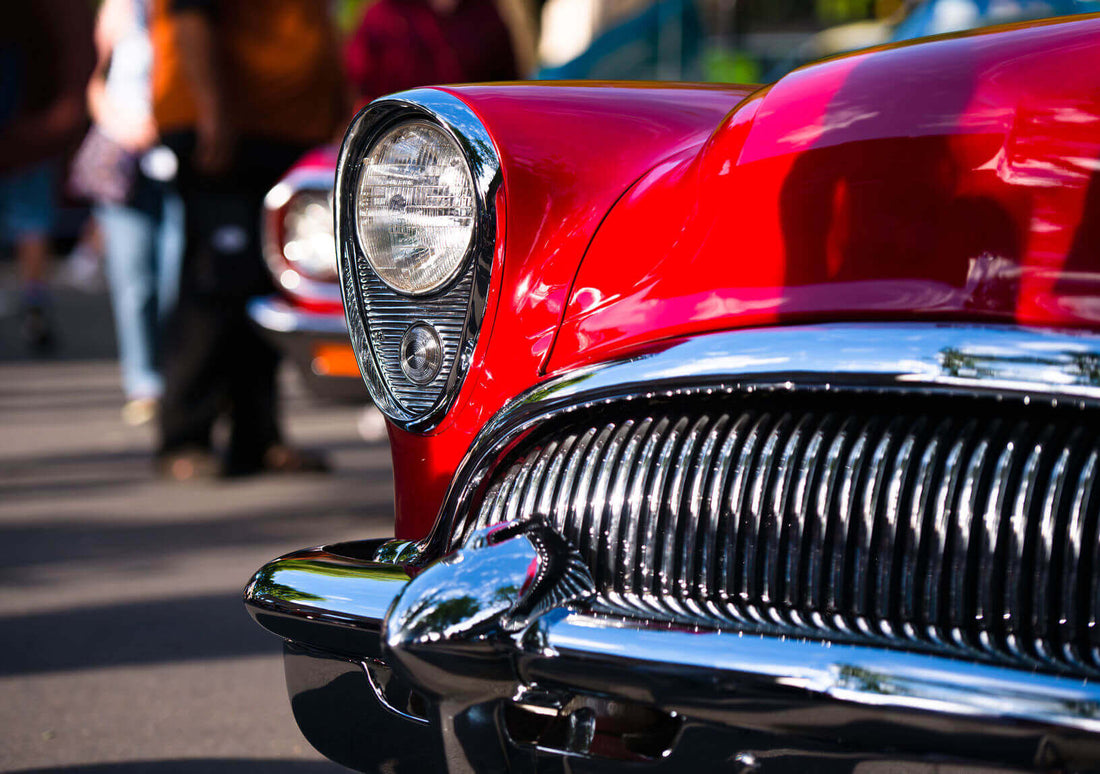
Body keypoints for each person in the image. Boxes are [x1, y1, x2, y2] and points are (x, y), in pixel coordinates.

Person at [150, 0, 346, 479]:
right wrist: (212, 108)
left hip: (282, 129)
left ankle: (257, 439)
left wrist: (339, 109)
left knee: (268, 288)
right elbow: (189, 15)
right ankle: (184, 437)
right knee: (215, 282)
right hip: (225, 129)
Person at [87, 0, 184, 426]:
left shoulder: (189, 12)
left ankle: (180, 375)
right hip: (123, 163)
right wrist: (123, 127)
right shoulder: (118, 10)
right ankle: (145, 383)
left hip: (179, 157)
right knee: (133, 281)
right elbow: (97, 83)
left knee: (176, 275)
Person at [0, 3, 95, 352]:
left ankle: (35, 303)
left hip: (29, 133)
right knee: (31, 223)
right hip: (31, 133)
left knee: (31, 222)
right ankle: (34, 302)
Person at [344, 0, 521, 107]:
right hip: (397, 138)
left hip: (470, 138)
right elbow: (357, 84)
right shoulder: (384, 15)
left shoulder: (486, 14)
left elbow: (506, 86)